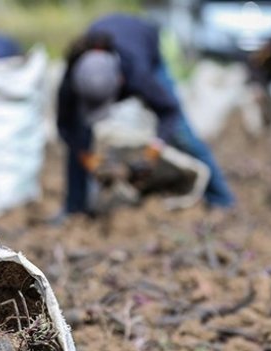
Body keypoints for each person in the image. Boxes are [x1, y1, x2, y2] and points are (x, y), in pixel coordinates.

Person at [56, 14, 234, 217]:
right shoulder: (73, 79)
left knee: (182, 133)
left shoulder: (139, 75)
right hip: (112, 44)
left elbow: (169, 111)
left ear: (121, 82)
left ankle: (222, 199)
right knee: (79, 135)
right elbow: (65, 125)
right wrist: (88, 158)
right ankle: (75, 208)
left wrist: (152, 153)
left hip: (146, 47)